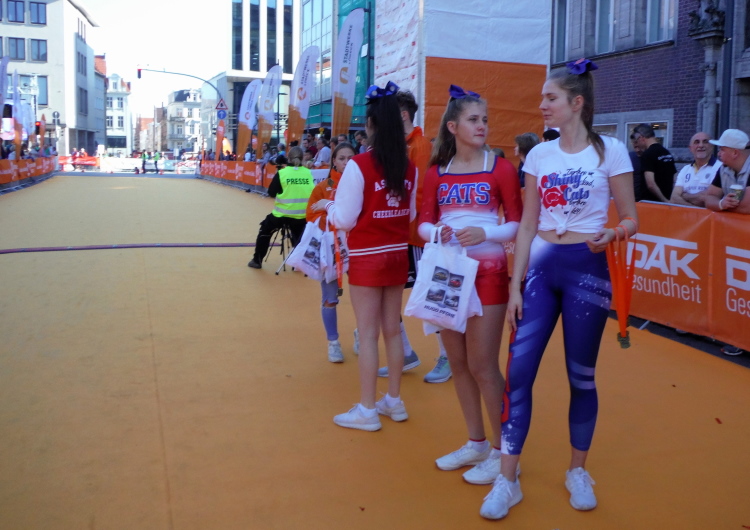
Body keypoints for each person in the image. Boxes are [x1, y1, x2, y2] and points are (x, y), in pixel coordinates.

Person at [480, 59, 638, 520]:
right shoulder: (540, 156)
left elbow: (632, 217)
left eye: (551, 98)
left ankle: (577, 471)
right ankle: (507, 479)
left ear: (577, 102)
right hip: (540, 271)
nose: (542, 105)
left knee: (580, 377)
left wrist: (615, 232)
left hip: (588, 271)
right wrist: (515, 286)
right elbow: (528, 224)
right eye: (543, 98)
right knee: (518, 374)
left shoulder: (611, 151)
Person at [418, 84, 523, 486]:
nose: (482, 126)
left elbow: (517, 222)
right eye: (473, 120)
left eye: (485, 120)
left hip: (489, 275)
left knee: (483, 365)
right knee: (458, 362)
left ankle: (503, 453)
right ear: (453, 126)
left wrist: (487, 233)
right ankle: (477, 442)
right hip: (448, 276)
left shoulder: (501, 169)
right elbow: (423, 222)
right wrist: (437, 233)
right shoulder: (436, 173)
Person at [311, 80, 417, 432]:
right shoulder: (409, 167)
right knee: (393, 330)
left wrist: (328, 206)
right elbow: (412, 214)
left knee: (368, 334)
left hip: (368, 256)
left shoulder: (359, 165)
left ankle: (368, 409)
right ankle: (394, 401)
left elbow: (344, 218)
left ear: (370, 124)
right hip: (397, 255)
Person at [305, 142, 357, 363]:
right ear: (334, 161)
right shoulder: (323, 187)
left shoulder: (362, 184)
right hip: (332, 248)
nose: (346, 162)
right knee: (330, 298)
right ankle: (333, 342)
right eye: (342, 158)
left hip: (358, 247)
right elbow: (311, 216)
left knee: (363, 298)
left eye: (350, 158)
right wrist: (333, 218)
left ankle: (361, 333)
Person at [702, 128, 750, 356]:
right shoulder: (723, 169)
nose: (718, 153)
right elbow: (708, 198)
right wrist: (722, 204)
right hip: (737, 242)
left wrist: (723, 205)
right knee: (737, 289)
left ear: (735, 152)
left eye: (722, 149)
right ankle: (738, 337)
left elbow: (747, 206)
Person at [247, 146, 315, 269]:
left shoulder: (282, 173)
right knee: (299, 234)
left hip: (282, 215)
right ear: (302, 158)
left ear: (288, 158)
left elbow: (271, 193)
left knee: (265, 230)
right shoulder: (308, 173)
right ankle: (299, 261)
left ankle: (257, 260)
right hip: (302, 217)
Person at [670, 132, 722, 206]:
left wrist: (684, 196)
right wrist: (693, 209)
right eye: (696, 142)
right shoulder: (685, 170)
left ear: (712, 146)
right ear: (690, 148)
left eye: (705, 142)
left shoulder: (720, 168)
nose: (701, 145)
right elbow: (674, 198)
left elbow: (709, 198)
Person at [630, 123, 676, 202]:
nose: (638, 146)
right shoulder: (666, 153)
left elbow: (650, 184)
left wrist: (665, 201)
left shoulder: (648, 154)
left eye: (637, 141)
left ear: (641, 138)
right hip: (667, 200)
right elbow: (675, 178)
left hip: (651, 203)